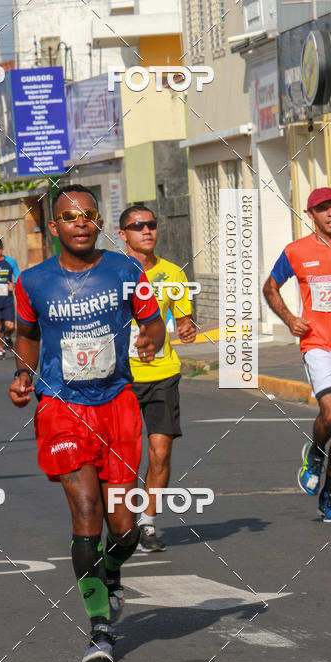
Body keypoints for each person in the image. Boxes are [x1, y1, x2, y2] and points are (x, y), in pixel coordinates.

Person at [9, 185, 165, 662]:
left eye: (89, 215)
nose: (80, 223)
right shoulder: (33, 282)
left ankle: (112, 571)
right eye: (69, 217)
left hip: (116, 405)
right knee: (85, 512)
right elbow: (28, 335)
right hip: (61, 405)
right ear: (53, 227)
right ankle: (100, 628)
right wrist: (21, 373)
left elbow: (154, 321)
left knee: (124, 528)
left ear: (98, 222)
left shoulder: (125, 271)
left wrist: (149, 341)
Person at [263, 188, 331, 522]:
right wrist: (290, 320)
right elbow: (270, 287)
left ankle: (329, 494)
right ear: (311, 214)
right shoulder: (297, 251)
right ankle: (315, 453)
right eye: (323, 209)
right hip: (318, 344)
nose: (330, 214)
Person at [118, 204, 197, 551]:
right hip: (120, 377)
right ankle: (120, 521)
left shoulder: (173, 274)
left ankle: (147, 522)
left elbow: (183, 321)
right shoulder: (112, 274)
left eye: (151, 224)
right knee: (123, 457)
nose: (147, 231)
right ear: (123, 235)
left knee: (161, 451)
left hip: (163, 373)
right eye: (138, 226)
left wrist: (187, 327)